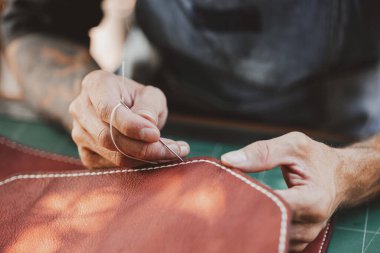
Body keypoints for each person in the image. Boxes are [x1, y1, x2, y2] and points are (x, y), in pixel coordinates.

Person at [2, 0, 380, 251]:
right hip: (173, 107)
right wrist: (86, 103)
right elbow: (36, 25)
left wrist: (355, 170)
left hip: (347, 127)